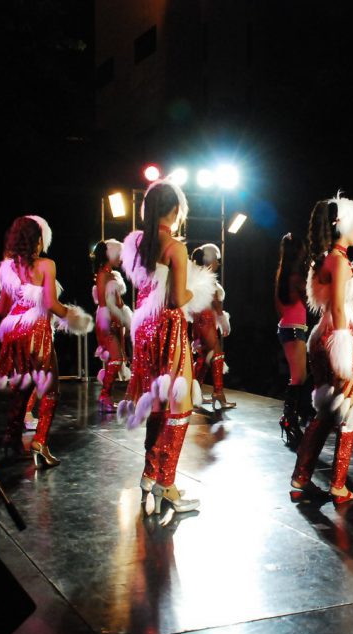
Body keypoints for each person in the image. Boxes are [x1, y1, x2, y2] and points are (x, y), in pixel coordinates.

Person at [116, 179, 216, 514]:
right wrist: (197, 290)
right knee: (179, 407)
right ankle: (166, 484)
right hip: (168, 327)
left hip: (144, 329)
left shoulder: (137, 245)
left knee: (157, 404)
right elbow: (177, 297)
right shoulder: (174, 247)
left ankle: (150, 475)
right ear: (175, 211)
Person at [0, 215, 93, 467]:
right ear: (37, 241)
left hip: (15, 332)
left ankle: (12, 439)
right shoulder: (46, 265)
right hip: (36, 330)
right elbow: (51, 304)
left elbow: (2, 308)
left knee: (22, 388)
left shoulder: (8, 269)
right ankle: (40, 442)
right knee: (50, 390)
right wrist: (74, 317)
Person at [290, 193, 353, 505]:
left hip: (323, 337)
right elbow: (341, 310)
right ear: (342, 225)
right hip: (337, 338)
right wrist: (346, 353)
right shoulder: (339, 261)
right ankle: (338, 485)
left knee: (327, 412)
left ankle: (301, 478)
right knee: (349, 411)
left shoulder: (324, 259)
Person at [275, 231, 312, 449]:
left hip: (289, 327)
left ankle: (291, 418)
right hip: (294, 329)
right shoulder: (297, 278)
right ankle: (289, 419)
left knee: (299, 377)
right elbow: (311, 299)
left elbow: (279, 308)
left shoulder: (283, 276)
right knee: (299, 378)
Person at [190, 243, 235, 409]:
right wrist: (223, 320)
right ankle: (218, 393)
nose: (218, 263)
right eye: (217, 260)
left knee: (203, 358)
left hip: (197, 322)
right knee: (216, 355)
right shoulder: (208, 278)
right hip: (207, 319)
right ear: (210, 260)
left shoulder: (196, 277)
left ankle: (193, 394)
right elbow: (215, 303)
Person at [91, 238, 132, 412]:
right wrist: (113, 320)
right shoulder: (103, 275)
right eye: (119, 255)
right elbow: (103, 303)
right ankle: (105, 395)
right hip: (107, 321)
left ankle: (106, 396)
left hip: (115, 321)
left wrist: (124, 320)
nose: (121, 259)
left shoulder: (113, 275)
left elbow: (118, 302)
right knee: (116, 359)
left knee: (116, 359)